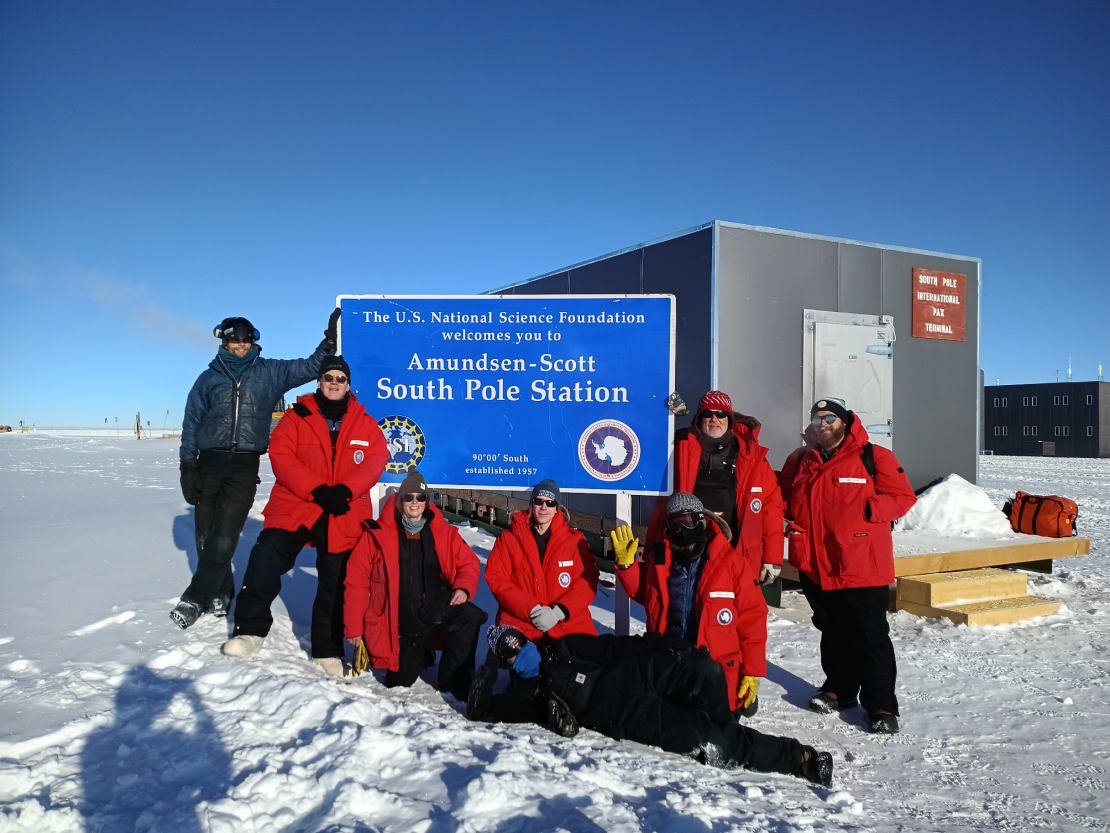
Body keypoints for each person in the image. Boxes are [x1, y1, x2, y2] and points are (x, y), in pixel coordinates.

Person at [468, 625, 833, 787]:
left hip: (640, 671)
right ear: (507, 662)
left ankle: (727, 728)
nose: (520, 654)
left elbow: (615, 647)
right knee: (713, 741)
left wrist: (660, 647)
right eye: (511, 655)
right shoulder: (526, 695)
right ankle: (798, 758)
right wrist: (484, 678)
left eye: (519, 645)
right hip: (627, 714)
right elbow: (484, 710)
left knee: (706, 671)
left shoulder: (562, 647)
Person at [172, 309, 341, 629]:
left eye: (245, 340)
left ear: (254, 342)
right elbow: (191, 422)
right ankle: (221, 591)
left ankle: (195, 597)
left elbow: (308, 367)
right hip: (209, 462)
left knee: (225, 533)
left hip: (244, 465)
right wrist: (186, 464)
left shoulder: (269, 373)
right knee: (206, 532)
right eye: (233, 340)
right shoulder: (208, 378)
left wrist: (329, 341)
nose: (240, 345)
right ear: (223, 341)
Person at [220, 357, 387, 676]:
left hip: (344, 508)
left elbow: (377, 459)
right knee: (265, 558)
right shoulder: (298, 416)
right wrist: (318, 490)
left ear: (348, 384)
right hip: (298, 503)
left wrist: (346, 491)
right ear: (319, 381)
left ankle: (328, 649)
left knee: (336, 578)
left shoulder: (365, 422)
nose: (334, 382)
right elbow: (281, 456)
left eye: (340, 378)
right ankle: (250, 631)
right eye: (328, 377)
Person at [778, 398, 917, 734]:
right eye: (817, 418)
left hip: (861, 563)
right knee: (833, 630)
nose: (822, 423)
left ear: (845, 421)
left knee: (869, 635)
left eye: (830, 417)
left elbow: (903, 497)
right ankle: (839, 691)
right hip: (815, 564)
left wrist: (868, 511)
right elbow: (781, 499)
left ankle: (881, 705)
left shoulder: (873, 457)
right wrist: (784, 520)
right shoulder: (799, 461)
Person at [613, 492, 768, 718]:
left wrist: (752, 671)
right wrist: (627, 567)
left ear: (701, 520)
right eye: (676, 524)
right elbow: (647, 595)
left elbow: (753, 616)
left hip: (715, 667)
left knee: (715, 728)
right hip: (672, 661)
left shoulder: (730, 562)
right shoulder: (663, 559)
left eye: (687, 522)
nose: (682, 530)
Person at [344, 469, 487, 698]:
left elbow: (468, 563)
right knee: (398, 683)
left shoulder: (442, 532)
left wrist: (462, 587)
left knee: (469, 617)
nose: (414, 503)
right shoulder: (377, 535)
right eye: (408, 497)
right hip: (400, 620)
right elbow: (356, 582)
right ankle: (421, 651)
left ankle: (455, 683)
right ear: (399, 501)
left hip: (435, 605)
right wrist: (353, 626)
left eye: (420, 497)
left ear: (426, 502)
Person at [649, 390, 784, 587]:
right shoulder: (680, 447)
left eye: (721, 414)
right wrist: (660, 412)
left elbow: (771, 508)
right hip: (688, 547)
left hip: (736, 550)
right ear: (699, 418)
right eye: (708, 414)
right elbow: (650, 446)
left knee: (735, 612)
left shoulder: (752, 457)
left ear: (729, 419)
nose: (714, 419)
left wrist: (773, 556)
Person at [484, 480, 599, 640]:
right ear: (531, 504)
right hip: (521, 623)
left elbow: (587, 581)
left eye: (550, 503)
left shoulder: (574, 541)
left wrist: (559, 612)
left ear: (557, 508)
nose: (544, 507)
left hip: (565, 624)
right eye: (539, 501)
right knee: (516, 659)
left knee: (589, 659)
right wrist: (531, 610)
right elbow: (496, 578)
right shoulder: (510, 538)